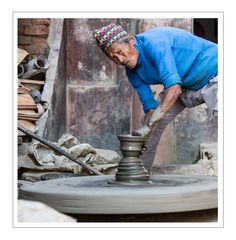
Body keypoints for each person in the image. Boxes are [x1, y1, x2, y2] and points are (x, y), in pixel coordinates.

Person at [93, 23, 218, 172]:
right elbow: (151, 110)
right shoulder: (132, 72)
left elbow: (174, 89)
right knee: (150, 127)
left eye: (120, 52)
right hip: (187, 84)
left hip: (216, 71)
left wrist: (151, 123)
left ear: (131, 40)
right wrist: (148, 127)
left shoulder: (155, 43)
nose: (120, 59)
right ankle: (138, 173)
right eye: (113, 57)